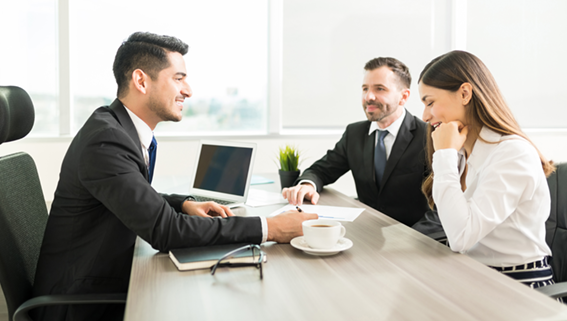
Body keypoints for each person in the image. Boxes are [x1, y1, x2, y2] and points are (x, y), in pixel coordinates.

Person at [32, 32, 317, 321]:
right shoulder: (106, 141)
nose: (188, 90)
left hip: (99, 281)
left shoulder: (118, 129)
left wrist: (183, 204)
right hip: (78, 303)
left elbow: (133, 193)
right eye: (178, 78)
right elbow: (166, 232)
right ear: (141, 81)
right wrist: (271, 228)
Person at [418, 50, 556, 289]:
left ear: (464, 93)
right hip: (474, 278)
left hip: (518, 286)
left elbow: (461, 237)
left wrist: (444, 156)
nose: (425, 115)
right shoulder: (461, 151)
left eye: (430, 102)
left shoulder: (511, 153)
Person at [282, 57, 430, 226]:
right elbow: (321, 170)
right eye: (365, 89)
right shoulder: (355, 133)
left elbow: (440, 212)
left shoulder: (428, 136)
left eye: (380, 89)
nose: (369, 97)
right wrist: (308, 185)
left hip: (411, 239)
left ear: (404, 97)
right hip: (366, 231)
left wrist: (413, 239)